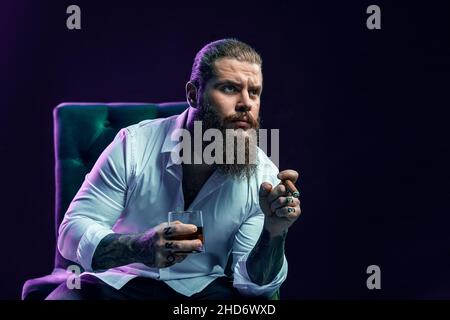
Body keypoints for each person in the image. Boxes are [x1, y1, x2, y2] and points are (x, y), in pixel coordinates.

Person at [46, 38, 301, 300]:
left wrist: (274, 231)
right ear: (193, 94)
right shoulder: (133, 145)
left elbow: (253, 286)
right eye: (229, 88)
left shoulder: (263, 175)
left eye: (254, 92)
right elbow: (71, 232)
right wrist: (138, 247)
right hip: (119, 283)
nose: (246, 103)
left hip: (203, 292)